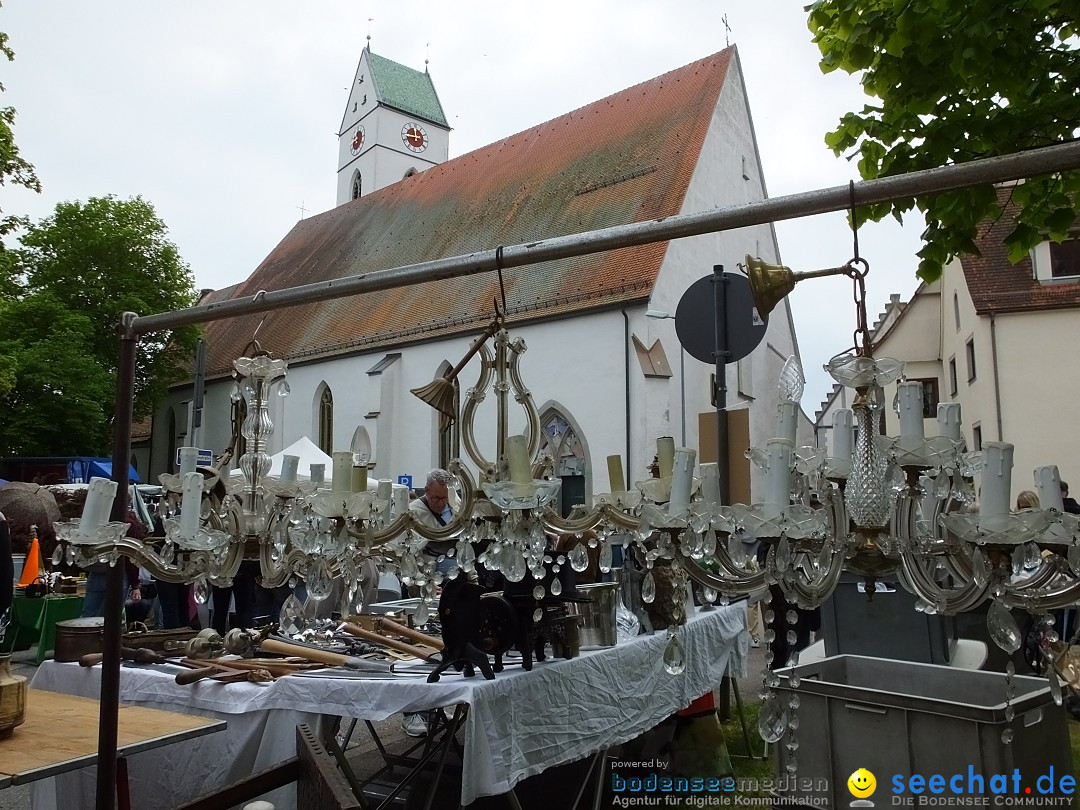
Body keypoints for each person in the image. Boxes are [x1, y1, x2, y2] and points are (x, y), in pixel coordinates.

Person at [402, 468, 456, 738]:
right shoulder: (413, 511)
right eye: (436, 498)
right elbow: (405, 553)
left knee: (443, 647)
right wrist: (422, 582)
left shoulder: (450, 507)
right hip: (419, 588)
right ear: (426, 492)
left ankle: (436, 703)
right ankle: (414, 712)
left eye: (444, 499)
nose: (441, 504)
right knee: (417, 650)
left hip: (443, 588)